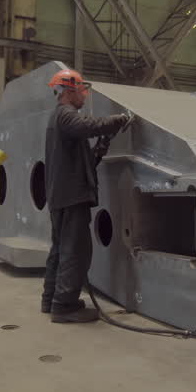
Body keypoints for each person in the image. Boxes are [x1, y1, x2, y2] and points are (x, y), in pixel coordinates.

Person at [42, 69, 131, 323]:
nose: (85, 95)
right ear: (69, 91)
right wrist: (119, 120)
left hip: (63, 194)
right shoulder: (66, 115)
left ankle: (51, 300)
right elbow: (87, 126)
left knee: (60, 249)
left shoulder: (60, 119)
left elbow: (82, 160)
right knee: (76, 250)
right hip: (71, 196)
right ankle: (65, 306)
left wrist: (102, 146)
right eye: (82, 90)